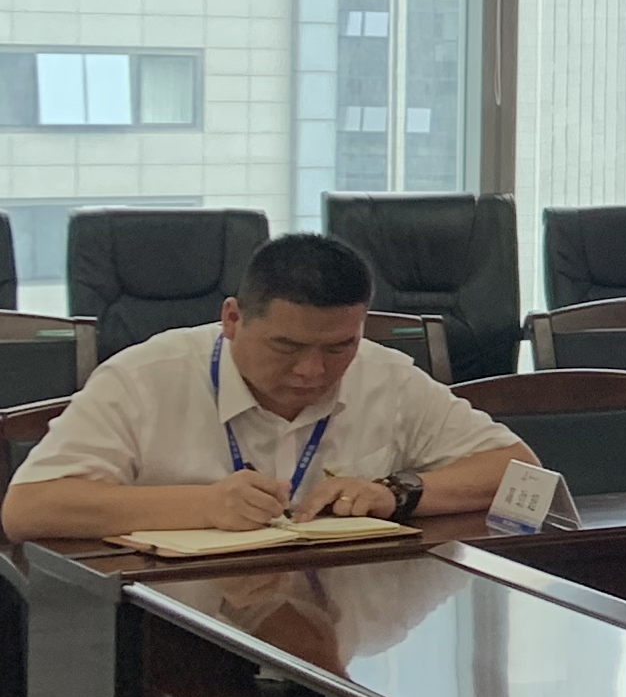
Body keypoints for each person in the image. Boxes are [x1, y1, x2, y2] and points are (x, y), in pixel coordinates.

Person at [4, 230, 532, 541]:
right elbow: (29, 508)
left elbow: (520, 474)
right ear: (233, 319)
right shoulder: (143, 377)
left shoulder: (384, 374)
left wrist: (396, 493)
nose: (312, 371)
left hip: (347, 612)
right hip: (176, 620)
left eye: (338, 347)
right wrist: (203, 507)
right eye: (287, 347)